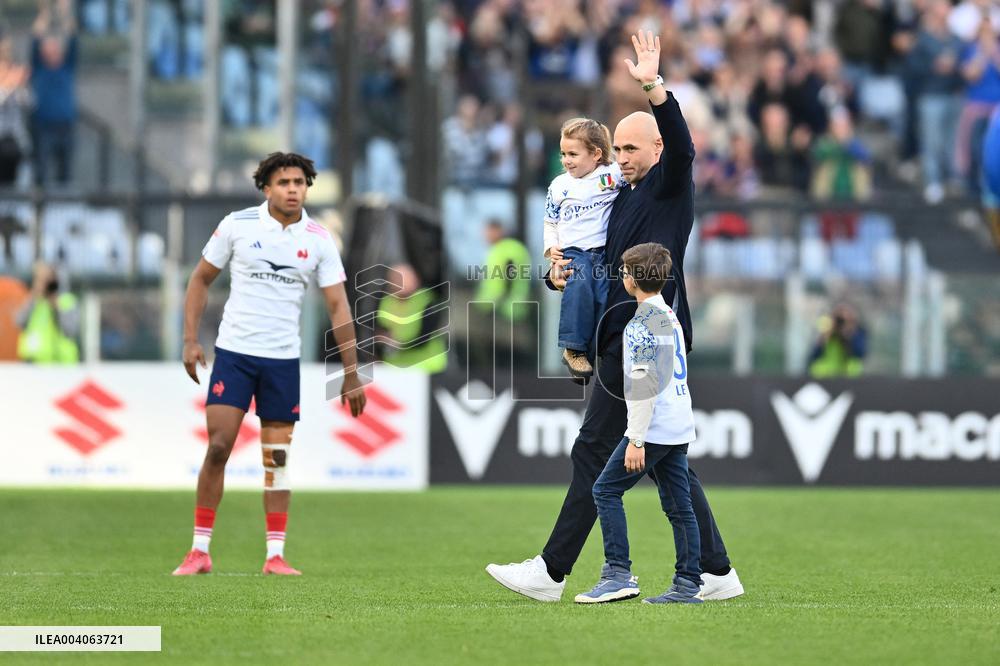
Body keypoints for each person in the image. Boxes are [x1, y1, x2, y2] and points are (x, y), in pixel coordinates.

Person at [486, 31, 743, 604]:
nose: (622, 158)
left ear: (656, 148)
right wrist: (557, 271)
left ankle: (552, 572)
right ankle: (716, 569)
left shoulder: (669, 185)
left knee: (593, 448)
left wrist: (654, 87)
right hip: (620, 333)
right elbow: (592, 257)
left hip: (644, 334)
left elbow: (684, 148)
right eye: (618, 149)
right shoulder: (621, 194)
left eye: (631, 149)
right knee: (667, 459)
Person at [172, 152, 367, 576]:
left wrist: (352, 373)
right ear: (266, 188)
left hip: (282, 361)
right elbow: (200, 279)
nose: (293, 190)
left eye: (299, 183)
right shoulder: (237, 225)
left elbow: (338, 307)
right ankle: (199, 550)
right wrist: (189, 340)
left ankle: (275, 556)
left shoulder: (319, 240)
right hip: (235, 355)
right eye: (284, 183)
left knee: (276, 459)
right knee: (219, 447)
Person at [575, 243, 703, 605]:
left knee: (605, 490)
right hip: (678, 421)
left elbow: (644, 386)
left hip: (656, 425)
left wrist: (636, 439)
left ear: (632, 279)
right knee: (679, 505)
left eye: (625, 271)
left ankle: (617, 574)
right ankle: (688, 583)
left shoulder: (641, 324)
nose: (622, 276)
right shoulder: (668, 314)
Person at [543, 117, 623, 379]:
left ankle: (591, 352)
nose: (566, 160)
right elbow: (550, 221)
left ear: (596, 154)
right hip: (573, 253)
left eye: (573, 154)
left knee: (602, 296)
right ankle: (573, 348)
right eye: (563, 153)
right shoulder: (559, 185)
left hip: (602, 252)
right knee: (579, 287)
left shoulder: (613, 174)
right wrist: (551, 249)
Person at [30, 1, 78, 187]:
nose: (53, 50)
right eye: (49, 47)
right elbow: (36, 37)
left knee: (65, 174)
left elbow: (73, 38)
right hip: (44, 127)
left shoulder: (67, 67)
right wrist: (45, 11)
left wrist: (65, 13)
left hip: (65, 126)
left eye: (55, 47)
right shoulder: (39, 68)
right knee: (41, 171)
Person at [15, 262, 79, 364]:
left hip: (61, 362)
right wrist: (34, 297)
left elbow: (70, 330)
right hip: (34, 361)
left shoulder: (67, 301)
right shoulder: (33, 300)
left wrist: (56, 307)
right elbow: (19, 321)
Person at [808, 303, 868, 378]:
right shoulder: (827, 330)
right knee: (817, 368)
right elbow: (814, 356)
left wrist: (849, 335)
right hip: (828, 368)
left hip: (846, 367)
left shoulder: (857, 331)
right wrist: (826, 335)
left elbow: (860, 354)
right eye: (838, 320)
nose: (840, 323)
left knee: (854, 366)